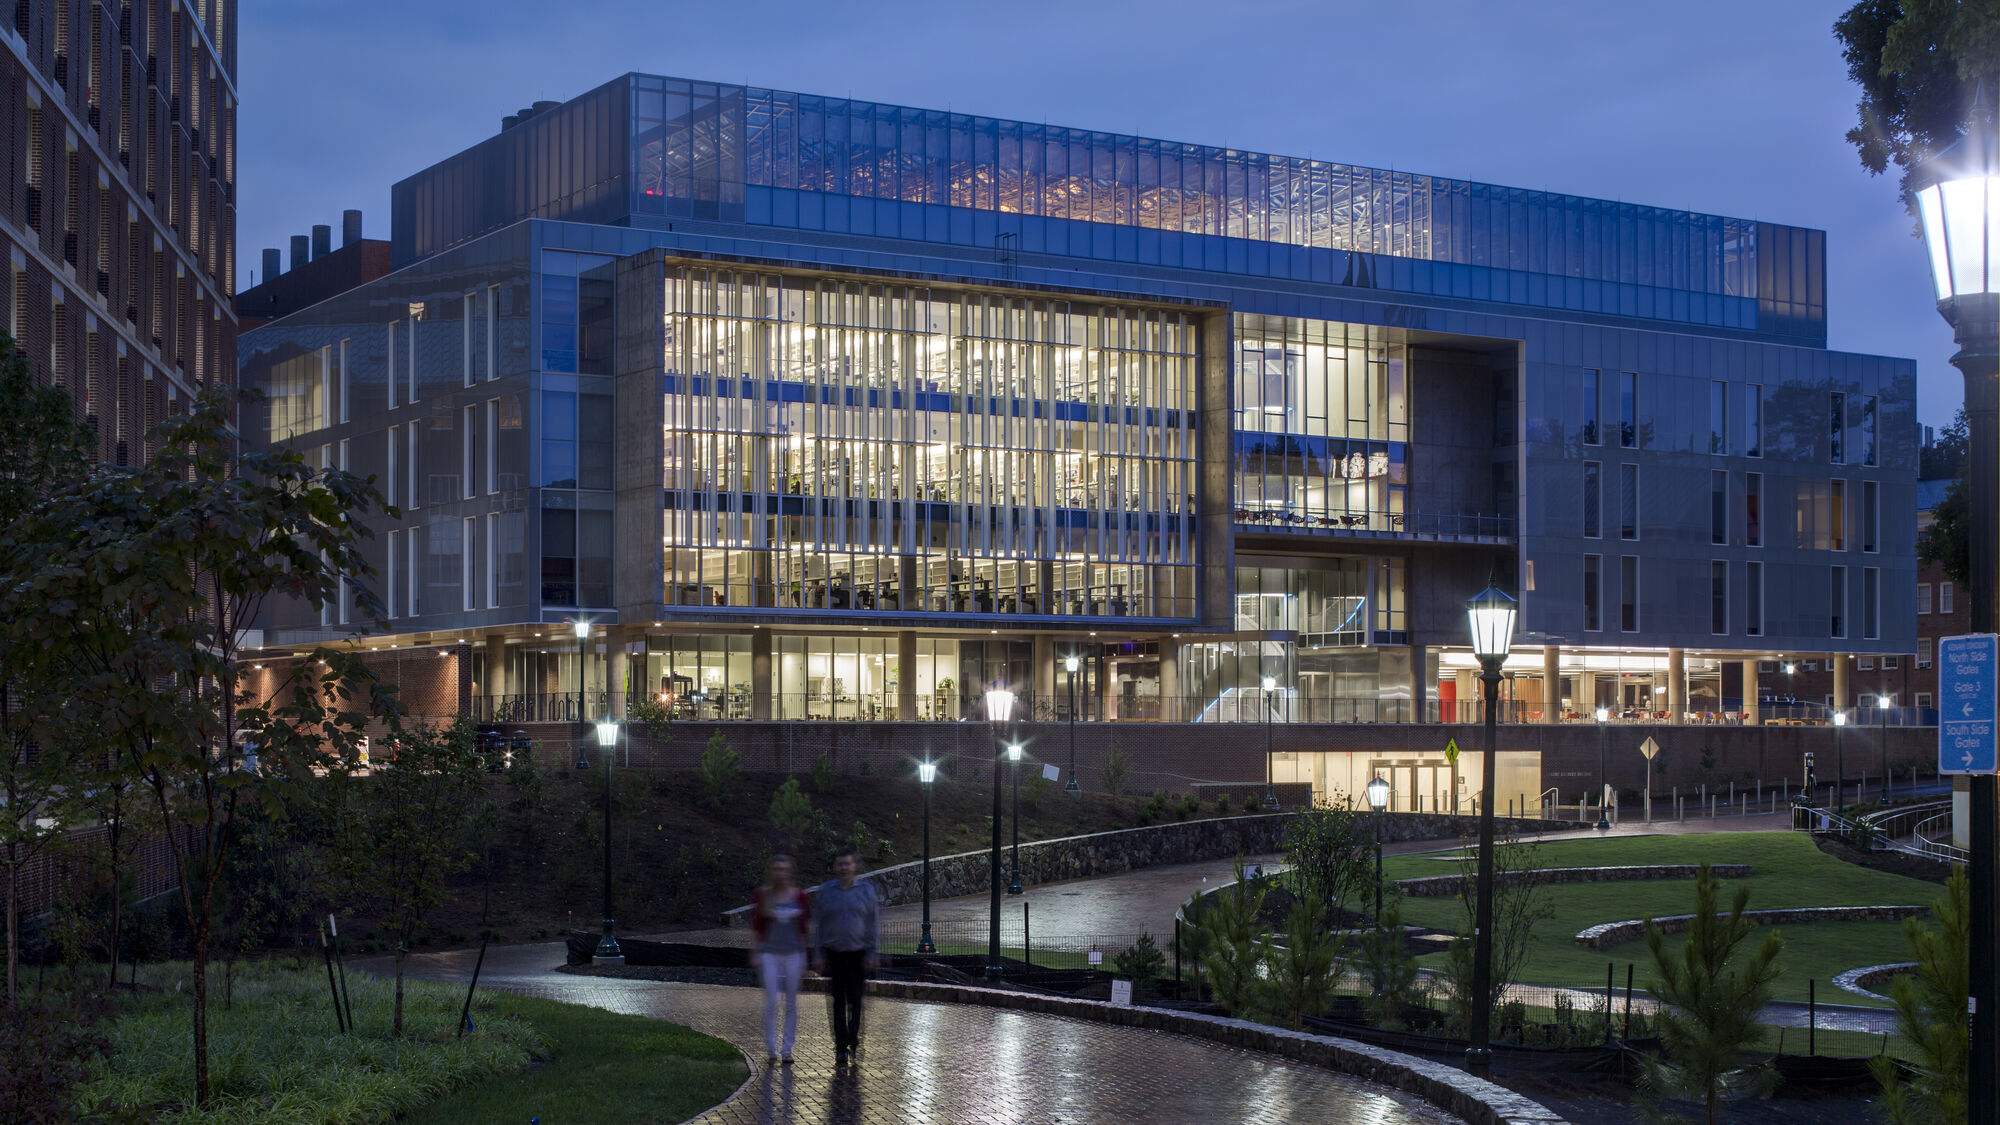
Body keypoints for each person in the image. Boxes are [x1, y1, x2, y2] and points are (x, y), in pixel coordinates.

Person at [811, 846, 879, 1066]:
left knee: (856, 1001)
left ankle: (854, 1040)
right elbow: (819, 925)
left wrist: (871, 952)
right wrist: (819, 953)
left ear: (854, 866)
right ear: (835, 866)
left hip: (858, 955)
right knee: (838, 1002)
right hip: (835, 955)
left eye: (847, 864)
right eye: (840, 864)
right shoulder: (826, 891)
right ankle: (841, 1048)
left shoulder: (866, 891)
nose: (843, 868)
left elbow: (872, 923)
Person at [750, 854, 810, 1065]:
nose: (781, 873)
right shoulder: (763, 896)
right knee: (773, 1001)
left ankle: (787, 1049)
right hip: (770, 953)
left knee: (792, 1002)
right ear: (772, 872)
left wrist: (805, 956)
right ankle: (771, 1048)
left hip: (793, 953)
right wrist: (756, 951)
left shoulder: (799, 896)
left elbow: (804, 928)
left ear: (790, 872)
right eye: (777, 869)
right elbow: (757, 926)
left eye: (784, 869)